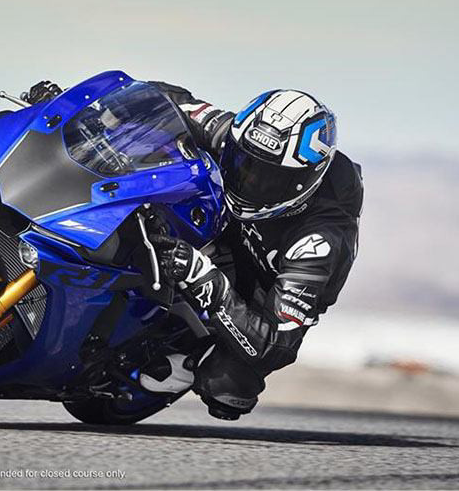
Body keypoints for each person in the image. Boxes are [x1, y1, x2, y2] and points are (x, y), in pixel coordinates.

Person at [24, 79, 363, 420]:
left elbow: (274, 345)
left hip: (259, 292)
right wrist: (75, 110)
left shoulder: (319, 242)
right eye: (243, 164)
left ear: (305, 183)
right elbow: (167, 100)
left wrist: (205, 279)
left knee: (227, 384)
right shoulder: (235, 135)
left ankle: (176, 361)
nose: (249, 182)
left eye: (268, 179)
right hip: (225, 228)